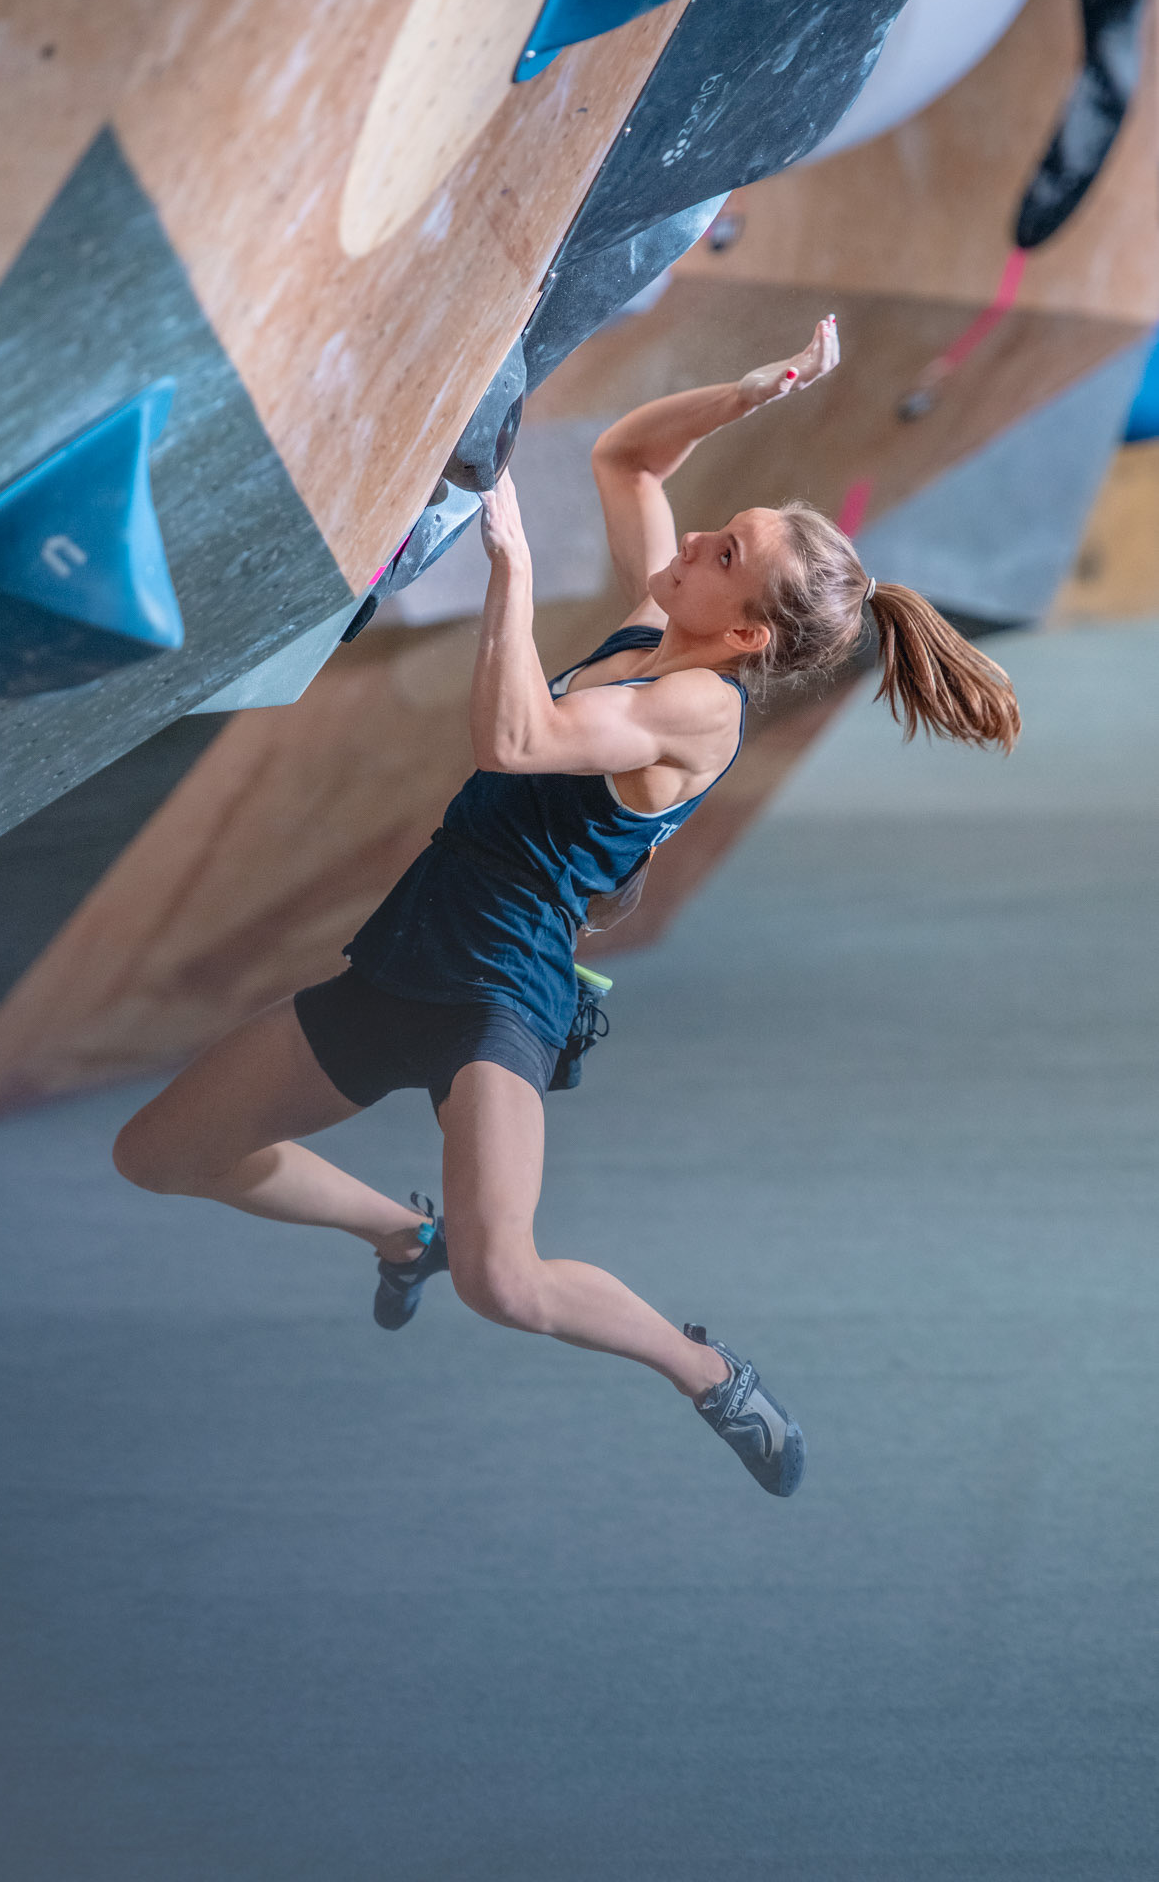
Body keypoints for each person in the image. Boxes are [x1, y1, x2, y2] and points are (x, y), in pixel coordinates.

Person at [113, 318, 1020, 1498]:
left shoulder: (698, 709)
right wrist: (747, 391)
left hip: (500, 986)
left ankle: (704, 1369)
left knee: (505, 1281)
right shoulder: (659, 629)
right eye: (721, 527)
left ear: (745, 632)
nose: (695, 537)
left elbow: (514, 736)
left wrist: (513, 573)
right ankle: (399, 1231)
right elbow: (627, 458)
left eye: (724, 551)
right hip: (407, 952)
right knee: (162, 1153)